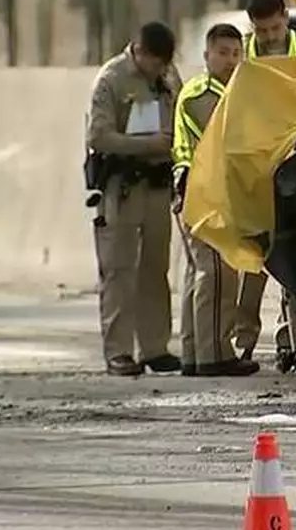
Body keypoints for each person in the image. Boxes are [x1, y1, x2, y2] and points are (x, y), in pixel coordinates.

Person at [86, 22, 182, 377]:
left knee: (155, 270)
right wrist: (147, 145)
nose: (161, 70)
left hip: (158, 187)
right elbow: (99, 135)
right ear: (139, 51)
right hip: (123, 188)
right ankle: (119, 352)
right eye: (156, 62)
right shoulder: (111, 79)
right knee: (119, 271)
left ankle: (155, 347)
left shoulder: (168, 77)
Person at [171, 23, 266, 377]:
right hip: (202, 193)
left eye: (235, 53)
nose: (230, 61)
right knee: (216, 273)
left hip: (207, 193)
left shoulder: (232, 91)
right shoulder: (203, 95)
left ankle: (194, 353)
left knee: (200, 274)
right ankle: (215, 355)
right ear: (207, 55)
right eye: (223, 53)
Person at [243, 0, 296, 369]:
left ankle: (294, 338)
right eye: (262, 31)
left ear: (286, 18)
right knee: (261, 258)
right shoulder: (243, 55)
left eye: (275, 27)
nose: (270, 37)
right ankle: (250, 341)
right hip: (258, 169)